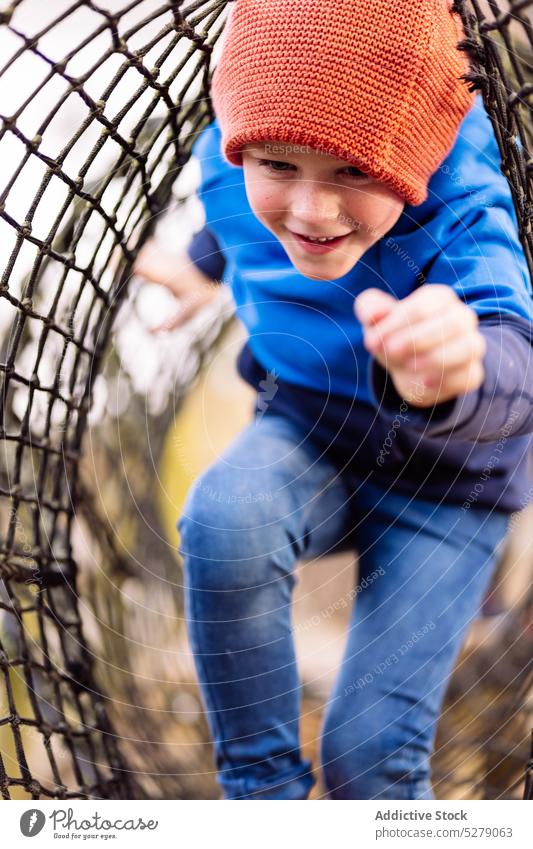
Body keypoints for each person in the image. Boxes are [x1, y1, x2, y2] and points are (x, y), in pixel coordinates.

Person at [136, 0, 533, 799]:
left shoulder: (457, 201)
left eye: (354, 171)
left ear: (418, 154)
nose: (311, 211)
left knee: (366, 753)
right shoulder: (228, 154)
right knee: (222, 519)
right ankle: (262, 791)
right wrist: (197, 264)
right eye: (277, 166)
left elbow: (510, 358)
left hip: (447, 481)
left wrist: (462, 366)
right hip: (307, 432)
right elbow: (232, 212)